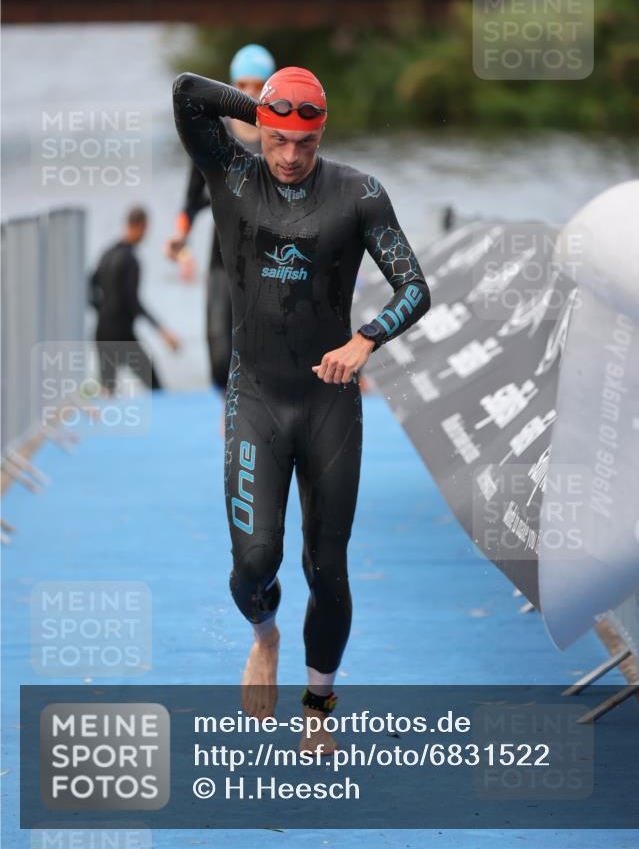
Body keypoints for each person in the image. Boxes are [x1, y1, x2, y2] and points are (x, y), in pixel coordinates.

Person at [172, 66, 430, 753]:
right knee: (256, 559)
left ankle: (319, 700)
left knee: (328, 567)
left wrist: (365, 340)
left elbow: (414, 289)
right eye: (278, 140)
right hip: (255, 396)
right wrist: (255, 105)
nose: (289, 157)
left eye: (305, 143)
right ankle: (265, 636)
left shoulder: (359, 194)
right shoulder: (230, 174)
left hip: (327, 403)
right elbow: (186, 93)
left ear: (323, 133)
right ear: (262, 131)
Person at [165, 44, 276, 395]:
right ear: (230, 87)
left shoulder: (280, 139)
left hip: (267, 256)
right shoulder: (216, 135)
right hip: (222, 255)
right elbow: (193, 196)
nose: (249, 94)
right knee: (217, 347)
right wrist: (180, 236)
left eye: (258, 86)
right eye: (242, 86)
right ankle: (228, 402)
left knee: (263, 344)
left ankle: (250, 409)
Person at [90, 207, 180, 393]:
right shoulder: (130, 260)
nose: (145, 235)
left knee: (107, 390)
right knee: (156, 388)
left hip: (102, 331)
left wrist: (102, 310)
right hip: (122, 335)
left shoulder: (107, 254)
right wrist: (162, 331)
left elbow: (89, 286)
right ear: (140, 226)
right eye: (146, 229)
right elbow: (133, 303)